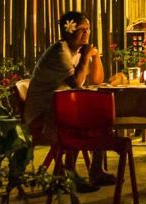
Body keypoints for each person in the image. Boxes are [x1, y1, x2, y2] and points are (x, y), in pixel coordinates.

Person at [25, 10, 108, 185]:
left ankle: (95, 170)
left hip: (60, 109)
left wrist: (96, 57)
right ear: (68, 30)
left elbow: (97, 80)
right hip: (43, 114)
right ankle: (69, 174)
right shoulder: (59, 52)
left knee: (100, 117)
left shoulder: (77, 51)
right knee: (84, 120)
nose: (86, 33)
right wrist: (86, 57)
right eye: (81, 29)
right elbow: (77, 83)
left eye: (88, 29)